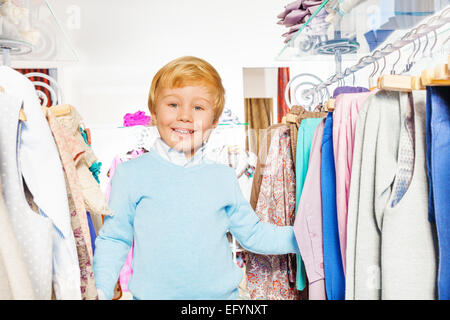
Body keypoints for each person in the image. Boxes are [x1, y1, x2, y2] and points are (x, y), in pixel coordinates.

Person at [93, 56, 300, 300]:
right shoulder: (130, 174)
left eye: (198, 107)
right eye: (173, 104)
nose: (185, 116)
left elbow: (253, 234)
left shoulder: (223, 176)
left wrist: (308, 237)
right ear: (153, 112)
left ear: (213, 122)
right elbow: (115, 238)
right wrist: (101, 291)